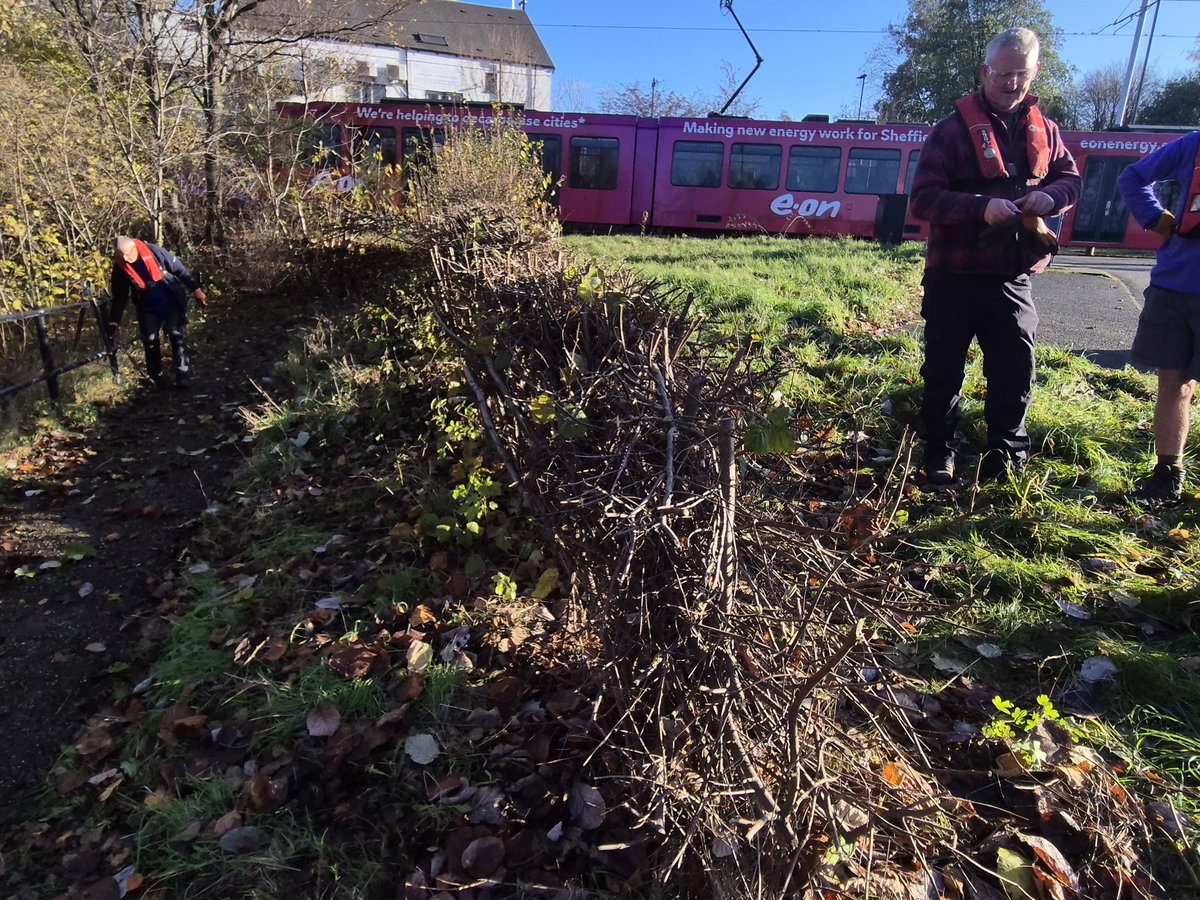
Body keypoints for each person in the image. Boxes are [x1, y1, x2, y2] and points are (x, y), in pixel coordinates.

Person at [909, 27, 1081, 485]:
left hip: (1011, 275)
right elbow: (922, 200)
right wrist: (980, 208)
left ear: (1035, 70)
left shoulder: (1047, 129)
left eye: (1021, 74)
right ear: (985, 72)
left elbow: (1071, 180)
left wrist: (1053, 198)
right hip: (953, 274)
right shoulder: (948, 132)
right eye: (1003, 74)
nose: (1012, 83)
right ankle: (939, 451)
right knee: (943, 369)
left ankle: (1006, 454)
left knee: (1015, 366)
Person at [1117, 129, 1200, 503]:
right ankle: (1168, 475)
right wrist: (1155, 218)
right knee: (1174, 383)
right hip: (1176, 285)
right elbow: (1132, 177)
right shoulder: (1193, 144)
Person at [108, 236, 207, 389]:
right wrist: (114, 319)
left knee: (176, 335)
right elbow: (120, 295)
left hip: (170, 300)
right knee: (150, 340)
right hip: (147, 306)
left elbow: (180, 270)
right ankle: (157, 377)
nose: (126, 258)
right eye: (122, 256)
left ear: (134, 247)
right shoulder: (121, 267)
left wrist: (196, 289)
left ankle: (182, 374)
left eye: (127, 254)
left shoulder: (154, 251)